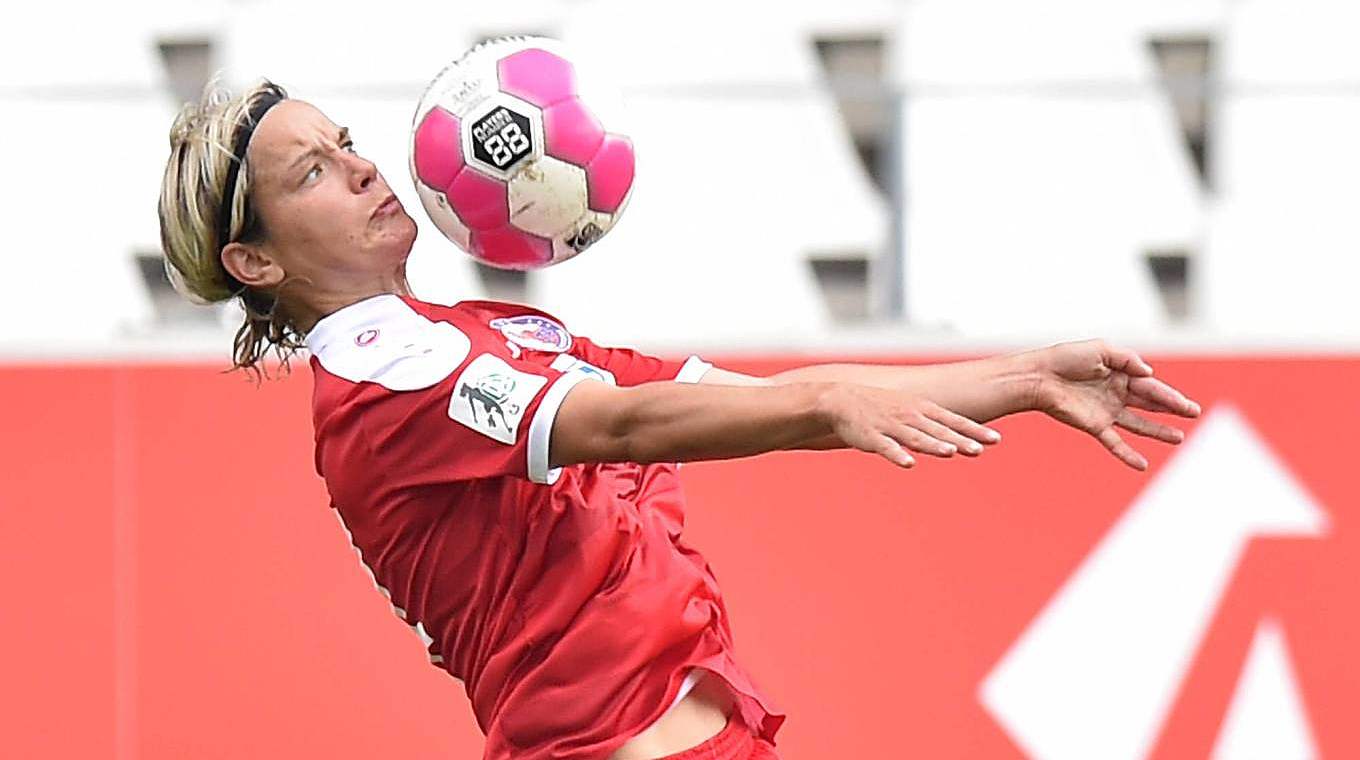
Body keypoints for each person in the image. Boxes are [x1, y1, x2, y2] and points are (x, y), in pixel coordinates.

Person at [157, 79, 1200, 760]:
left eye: (344, 142)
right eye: (312, 173)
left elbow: (753, 395)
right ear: (257, 263)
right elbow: (622, 428)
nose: (362, 166)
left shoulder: (473, 332)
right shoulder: (384, 374)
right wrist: (826, 404)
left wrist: (1026, 374)